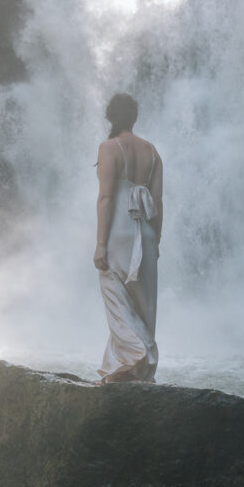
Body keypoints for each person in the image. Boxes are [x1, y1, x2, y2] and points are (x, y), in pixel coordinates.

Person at [94, 92, 163, 383]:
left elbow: (107, 198)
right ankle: (137, 368)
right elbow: (157, 202)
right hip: (144, 232)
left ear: (111, 117)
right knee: (143, 304)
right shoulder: (152, 151)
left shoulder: (109, 148)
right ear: (134, 117)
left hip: (119, 232)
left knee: (117, 296)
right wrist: (156, 240)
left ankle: (132, 357)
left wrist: (100, 245)